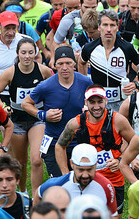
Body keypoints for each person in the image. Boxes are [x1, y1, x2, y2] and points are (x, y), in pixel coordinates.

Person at [54, 86, 137, 219]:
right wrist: (66, 175)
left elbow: (135, 142)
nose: (96, 106)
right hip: (86, 179)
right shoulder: (76, 123)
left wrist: (121, 160)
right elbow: (59, 146)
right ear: (86, 103)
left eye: (100, 101)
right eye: (92, 102)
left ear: (106, 101)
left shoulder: (118, 120)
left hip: (113, 180)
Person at [22, 46, 92, 177]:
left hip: (80, 141)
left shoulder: (85, 82)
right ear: (55, 65)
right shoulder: (46, 85)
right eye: (60, 64)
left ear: (74, 65)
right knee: (60, 184)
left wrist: (89, 109)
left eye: (68, 63)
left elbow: (99, 101)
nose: (64, 67)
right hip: (54, 142)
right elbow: (26, 103)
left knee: (81, 181)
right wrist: (43, 115)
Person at [0, 39, 51, 194]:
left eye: (30, 52)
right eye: (23, 53)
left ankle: (35, 196)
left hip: (37, 120)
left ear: (35, 53)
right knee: (19, 162)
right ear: (18, 54)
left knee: (36, 159)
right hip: (17, 122)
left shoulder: (43, 71)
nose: (27, 56)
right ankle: (22, 193)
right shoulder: (10, 72)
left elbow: (55, 86)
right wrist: (3, 107)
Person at [37, 143, 119, 219]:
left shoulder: (106, 186)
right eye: (80, 170)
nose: (85, 175)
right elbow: (38, 195)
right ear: (72, 164)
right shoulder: (57, 184)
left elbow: (113, 216)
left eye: (89, 170)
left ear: (96, 164)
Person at [78, 10, 139, 110]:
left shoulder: (127, 48)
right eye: (105, 25)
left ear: (117, 28)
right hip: (98, 102)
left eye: (112, 25)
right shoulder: (89, 48)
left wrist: (136, 83)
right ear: (99, 27)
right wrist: (85, 86)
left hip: (122, 101)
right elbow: (81, 62)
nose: (108, 29)